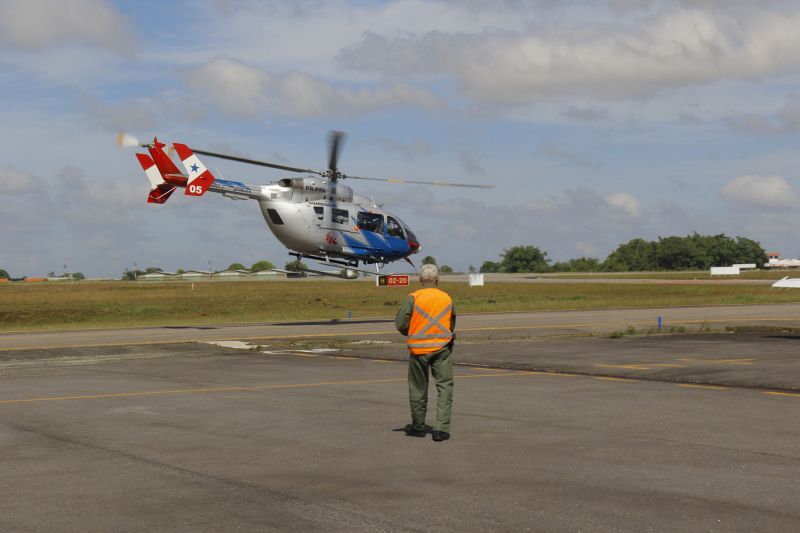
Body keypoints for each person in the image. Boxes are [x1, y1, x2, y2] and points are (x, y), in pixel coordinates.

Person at [395, 263, 456, 442]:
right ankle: (441, 429)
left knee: (418, 388)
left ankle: (418, 427)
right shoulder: (446, 298)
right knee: (445, 387)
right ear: (437, 279)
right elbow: (451, 323)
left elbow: (400, 324)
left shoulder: (413, 297)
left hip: (418, 350)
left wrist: (414, 332)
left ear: (421, 279)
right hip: (441, 349)